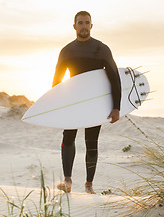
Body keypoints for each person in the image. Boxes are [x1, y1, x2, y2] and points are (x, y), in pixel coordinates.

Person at [52, 11, 121, 194]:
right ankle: (67, 180)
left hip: (95, 103)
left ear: (92, 25)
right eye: (80, 23)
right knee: (68, 138)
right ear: (74, 26)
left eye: (87, 23)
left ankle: (89, 185)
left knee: (91, 142)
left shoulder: (102, 49)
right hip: (73, 101)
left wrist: (116, 107)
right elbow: (57, 82)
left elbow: (115, 78)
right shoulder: (67, 51)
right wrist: (55, 105)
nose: (83, 26)